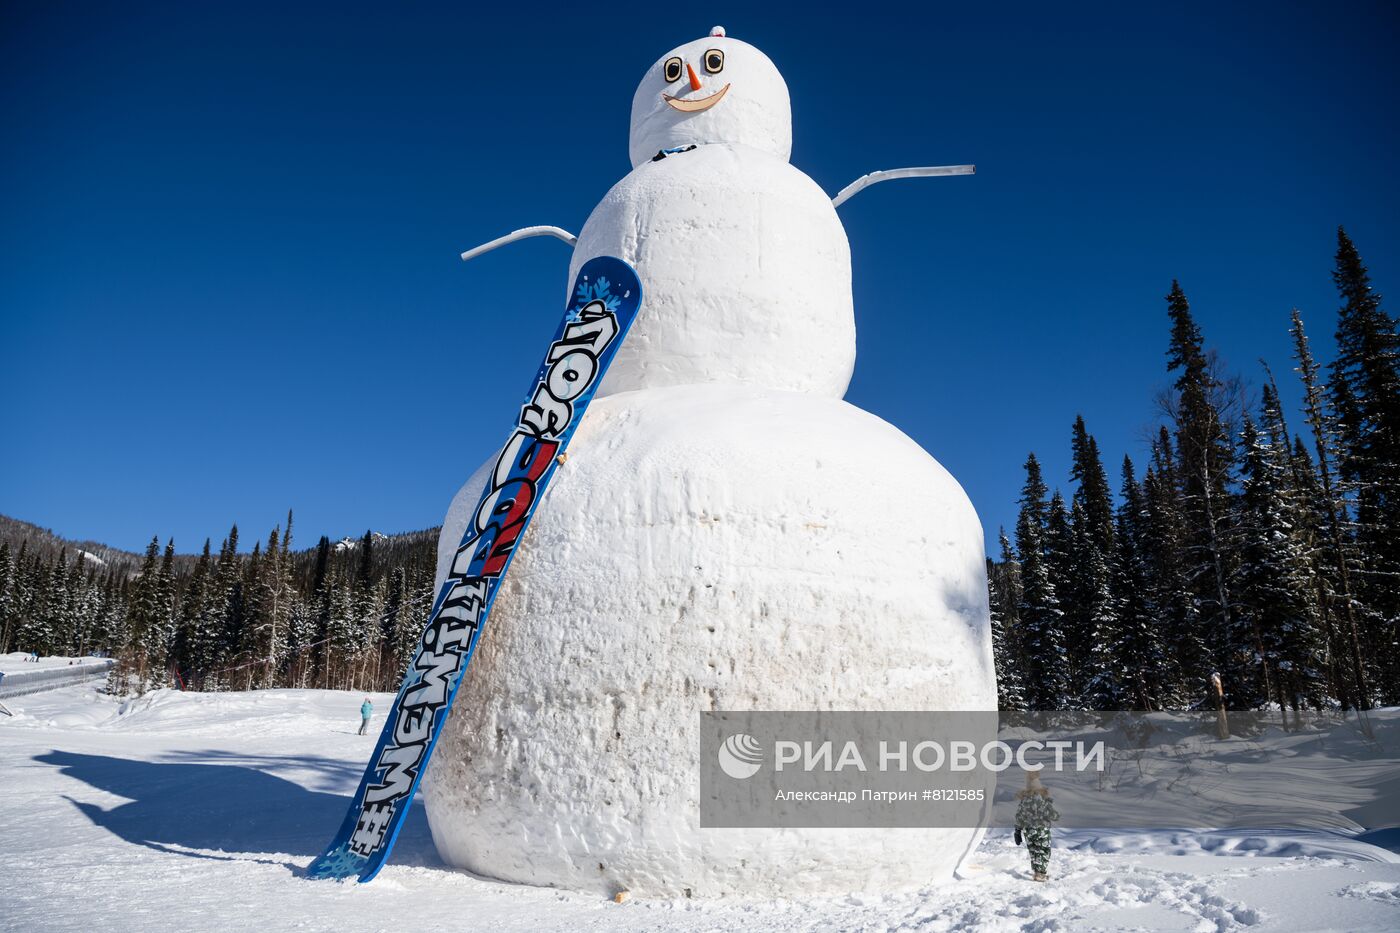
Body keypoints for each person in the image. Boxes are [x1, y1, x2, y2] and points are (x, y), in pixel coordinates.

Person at [1014, 770, 1060, 881]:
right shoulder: (1044, 801)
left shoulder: (1024, 802)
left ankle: (1036, 872)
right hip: (1042, 830)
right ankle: (1040, 873)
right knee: (1043, 850)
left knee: (1033, 850)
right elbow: (1054, 815)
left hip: (1028, 831)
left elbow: (1019, 817)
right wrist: (1054, 814)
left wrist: (1017, 831)